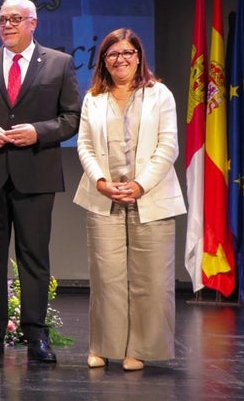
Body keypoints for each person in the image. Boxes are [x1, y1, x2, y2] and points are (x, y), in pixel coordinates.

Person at [0, 0, 81, 363]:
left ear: (33, 23)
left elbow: (72, 117)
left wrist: (39, 131)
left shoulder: (59, 63)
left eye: (16, 19)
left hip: (36, 176)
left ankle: (36, 336)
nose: (8, 25)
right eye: (2, 19)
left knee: (34, 259)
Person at [72, 28, 185, 371]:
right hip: (103, 196)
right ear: (104, 60)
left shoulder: (159, 95)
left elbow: (168, 146)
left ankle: (140, 349)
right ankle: (104, 347)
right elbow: (84, 146)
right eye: (112, 54)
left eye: (127, 53)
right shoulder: (93, 97)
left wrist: (140, 185)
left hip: (150, 197)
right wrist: (102, 181)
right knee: (107, 277)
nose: (120, 60)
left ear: (138, 57)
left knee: (152, 279)